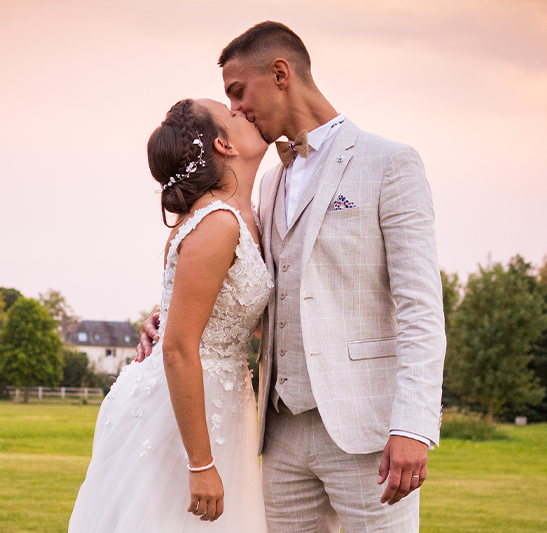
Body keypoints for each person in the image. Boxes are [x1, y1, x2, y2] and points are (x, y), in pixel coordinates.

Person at [139, 21, 446, 532]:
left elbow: (420, 308)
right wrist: (169, 319)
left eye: (238, 93)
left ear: (280, 73)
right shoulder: (267, 182)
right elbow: (256, 291)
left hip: (365, 433)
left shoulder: (389, 163)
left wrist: (413, 425)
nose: (235, 111)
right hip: (276, 434)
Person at [68, 97, 272, 532]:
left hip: (222, 397)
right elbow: (179, 348)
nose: (246, 112)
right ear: (224, 145)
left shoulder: (246, 216)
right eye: (234, 114)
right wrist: (200, 464)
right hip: (182, 406)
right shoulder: (217, 223)